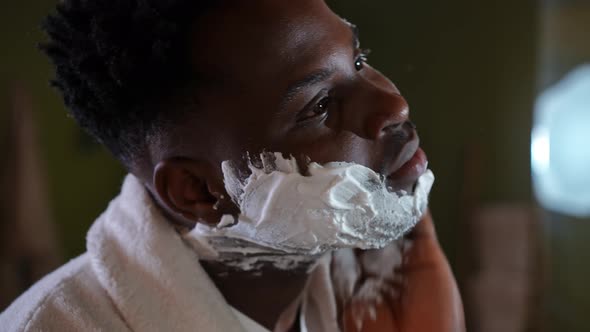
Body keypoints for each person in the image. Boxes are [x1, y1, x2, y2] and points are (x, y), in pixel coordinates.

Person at [0, 0, 464, 331]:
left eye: (359, 61)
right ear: (200, 191)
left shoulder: (365, 294)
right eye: (320, 105)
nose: (394, 104)